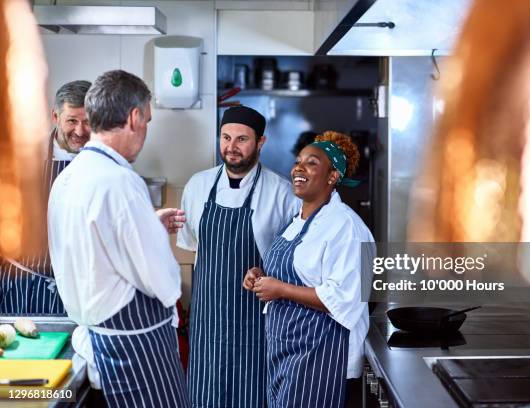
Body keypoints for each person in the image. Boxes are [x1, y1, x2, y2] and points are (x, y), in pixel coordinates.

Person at [48, 70, 189, 407]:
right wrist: (151, 235)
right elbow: (163, 283)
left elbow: (95, 246)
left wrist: (147, 225)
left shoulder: (70, 178)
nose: (144, 132)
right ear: (134, 117)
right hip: (136, 354)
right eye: (147, 121)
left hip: (98, 339)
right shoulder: (120, 181)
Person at [178, 105, 300, 407]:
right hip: (207, 320)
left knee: (254, 396)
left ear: (261, 142)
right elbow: (192, 247)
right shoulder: (197, 186)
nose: (231, 148)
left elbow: (294, 261)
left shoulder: (282, 193)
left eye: (242, 139)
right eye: (225, 137)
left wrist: (267, 273)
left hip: (256, 322)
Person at [243, 131, 374, 408]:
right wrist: (260, 275)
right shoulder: (296, 221)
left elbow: (343, 299)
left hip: (322, 356)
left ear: (333, 176)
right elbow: (296, 271)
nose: (298, 168)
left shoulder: (347, 227)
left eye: (312, 163)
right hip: (286, 352)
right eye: (298, 161)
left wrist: (279, 289)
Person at [0, 79, 91, 314]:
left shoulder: (103, 161)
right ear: (55, 117)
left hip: (78, 288)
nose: (80, 131)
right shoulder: (26, 157)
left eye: (87, 122)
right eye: (72, 120)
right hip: (21, 284)